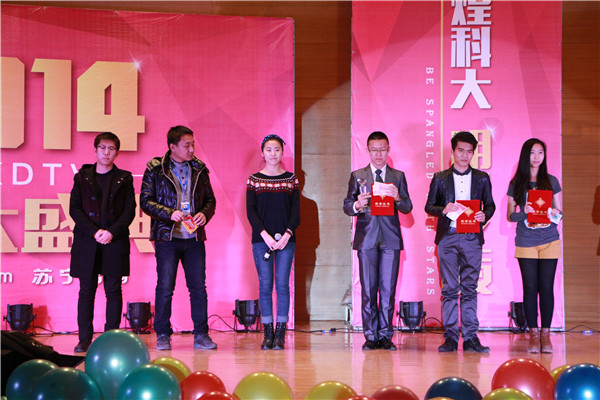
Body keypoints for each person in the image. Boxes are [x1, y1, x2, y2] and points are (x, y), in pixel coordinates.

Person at [140, 125, 217, 350]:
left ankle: (201, 334)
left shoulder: (199, 168)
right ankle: (163, 335)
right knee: (165, 287)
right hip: (167, 237)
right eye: (186, 145)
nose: (192, 149)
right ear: (172, 147)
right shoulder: (155, 169)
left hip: (193, 237)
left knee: (198, 288)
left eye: (193, 144)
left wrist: (204, 213)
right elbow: (145, 201)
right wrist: (168, 213)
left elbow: (210, 200)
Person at [425, 131, 495, 353]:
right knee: (449, 289)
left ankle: (471, 337)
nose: (465, 155)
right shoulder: (440, 178)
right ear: (453, 151)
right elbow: (429, 206)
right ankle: (451, 338)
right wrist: (443, 209)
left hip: (472, 237)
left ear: (474, 153)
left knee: (470, 288)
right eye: (461, 150)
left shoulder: (482, 178)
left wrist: (484, 214)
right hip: (448, 236)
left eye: (469, 151)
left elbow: (490, 205)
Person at [343, 131, 413, 351]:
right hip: (366, 240)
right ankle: (370, 336)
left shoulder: (397, 176)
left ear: (388, 149)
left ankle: (385, 335)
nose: (379, 154)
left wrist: (398, 197)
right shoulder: (358, 175)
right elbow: (347, 206)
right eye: (374, 150)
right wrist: (357, 204)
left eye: (382, 149)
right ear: (368, 150)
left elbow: (408, 207)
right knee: (368, 290)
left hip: (390, 240)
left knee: (388, 290)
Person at [69, 132, 136, 353]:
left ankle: (111, 339)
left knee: (113, 290)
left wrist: (111, 233)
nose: (106, 152)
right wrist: (95, 232)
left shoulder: (124, 178)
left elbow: (129, 211)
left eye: (111, 148)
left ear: (117, 152)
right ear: (95, 150)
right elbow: (74, 209)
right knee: (86, 291)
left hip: (114, 241)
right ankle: (84, 339)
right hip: (87, 240)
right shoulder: (82, 177)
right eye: (102, 148)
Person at [507, 138, 562, 353]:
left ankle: (546, 336)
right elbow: (510, 215)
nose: (537, 156)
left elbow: (560, 213)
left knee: (546, 287)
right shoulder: (517, 183)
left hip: (549, 239)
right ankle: (533, 335)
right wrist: (525, 213)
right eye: (532, 152)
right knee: (530, 288)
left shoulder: (551, 181)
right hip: (526, 241)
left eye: (540, 152)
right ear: (525, 155)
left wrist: (554, 213)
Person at [246, 134, 300, 350]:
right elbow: (251, 212)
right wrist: (266, 236)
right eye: (269, 149)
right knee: (265, 285)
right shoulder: (254, 180)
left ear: (282, 152)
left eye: (277, 149)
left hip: (286, 240)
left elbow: (295, 214)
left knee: (283, 285)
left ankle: (280, 332)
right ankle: (267, 332)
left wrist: (286, 235)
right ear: (262, 153)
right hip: (262, 241)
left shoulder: (291, 179)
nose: (273, 153)